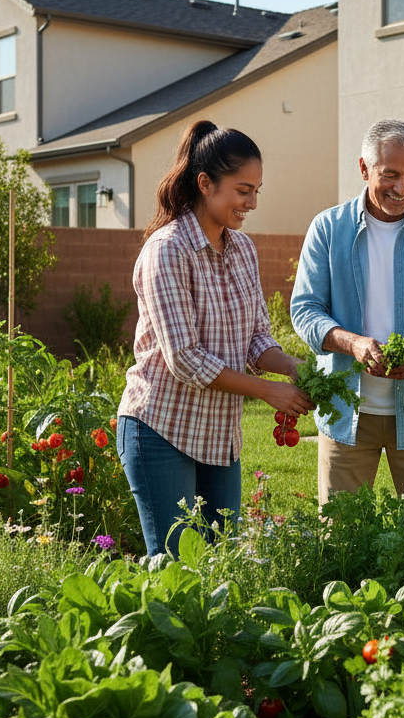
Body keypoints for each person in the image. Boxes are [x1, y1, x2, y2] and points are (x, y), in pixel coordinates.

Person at [117, 120, 311, 557]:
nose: (252, 202)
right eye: (243, 190)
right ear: (205, 183)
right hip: (161, 428)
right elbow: (185, 358)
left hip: (217, 435)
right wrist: (268, 392)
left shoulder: (243, 250)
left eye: (257, 190)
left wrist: (293, 366)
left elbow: (257, 338)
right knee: (176, 568)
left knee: (223, 563)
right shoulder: (167, 249)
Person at [290, 118, 404, 508]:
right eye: (390, 174)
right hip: (346, 413)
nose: (402, 188)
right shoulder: (328, 228)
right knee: (340, 533)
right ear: (364, 168)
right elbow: (306, 310)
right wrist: (354, 344)